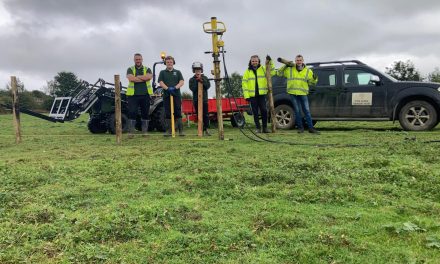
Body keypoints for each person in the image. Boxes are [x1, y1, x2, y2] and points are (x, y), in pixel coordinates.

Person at [277, 54, 319, 134]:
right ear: (295, 61)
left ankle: (311, 128)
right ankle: (300, 128)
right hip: (293, 94)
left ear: (303, 61)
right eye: (297, 60)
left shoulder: (308, 71)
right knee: (297, 111)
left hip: (303, 94)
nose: (298, 62)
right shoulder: (290, 69)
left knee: (306, 111)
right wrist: (286, 65)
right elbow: (279, 73)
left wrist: (315, 78)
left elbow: (312, 83)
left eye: (300, 60)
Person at [242, 55, 275, 133]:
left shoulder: (263, 69)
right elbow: (244, 84)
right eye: (253, 61)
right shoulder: (247, 71)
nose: (254, 62)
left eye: (256, 61)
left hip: (261, 95)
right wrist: (246, 96)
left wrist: (271, 62)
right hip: (252, 96)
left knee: (264, 110)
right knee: (255, 112)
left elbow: (272, 72)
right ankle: (258, 128)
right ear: (250, 62)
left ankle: (265, 128)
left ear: (258, 61)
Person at [126, 53, 153, 137]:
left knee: (145, 113)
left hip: (145, 95)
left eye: (139, 59)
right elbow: (131, 78)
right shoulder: (130, 69)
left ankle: (144, 132)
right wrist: (143, 78)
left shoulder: (147, 69)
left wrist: (137, 77)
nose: (138, 61)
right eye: (136, 59)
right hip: (133, 95)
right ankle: (131, 133)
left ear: (142, 59)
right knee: (132, 112)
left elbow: (148, 77)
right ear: (134, 60)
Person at [158, 55, 185, 136]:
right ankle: (169, 131)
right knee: (167, 113)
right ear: (165, 63)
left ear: (173, 63)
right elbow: (161, 82)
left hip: (176, 95)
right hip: (166, 95)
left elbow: (181, 82)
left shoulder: (178, 72)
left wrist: (175, 88)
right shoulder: (162, 72)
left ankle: (181, 131)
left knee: (177, 112)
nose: (169, 63)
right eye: (168, 62)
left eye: (171, 62)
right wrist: (167, 89)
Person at [189, 62, 211, 136]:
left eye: (199, 70)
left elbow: (207, 86)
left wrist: (202, 81)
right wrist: (197, 81)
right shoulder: (191, 80)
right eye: (196, 70)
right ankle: (200, 130)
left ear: (201, 70)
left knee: (206, 115)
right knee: (198, 115)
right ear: (194, 71)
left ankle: (207, 129)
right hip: (196, 100)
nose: (197, 71)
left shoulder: (205, 78)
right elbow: (193, 89)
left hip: (204, 100)